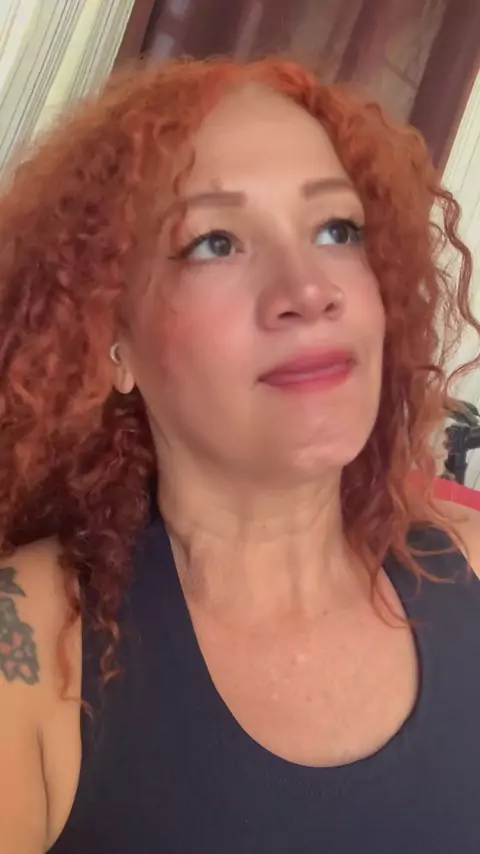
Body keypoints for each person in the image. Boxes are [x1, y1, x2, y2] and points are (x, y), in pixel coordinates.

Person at [0, 56, 479, 854]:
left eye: (337, 230)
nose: (309, 288)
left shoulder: (472, 564)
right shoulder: (25, 655)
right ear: (110, 337)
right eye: (215, 242)